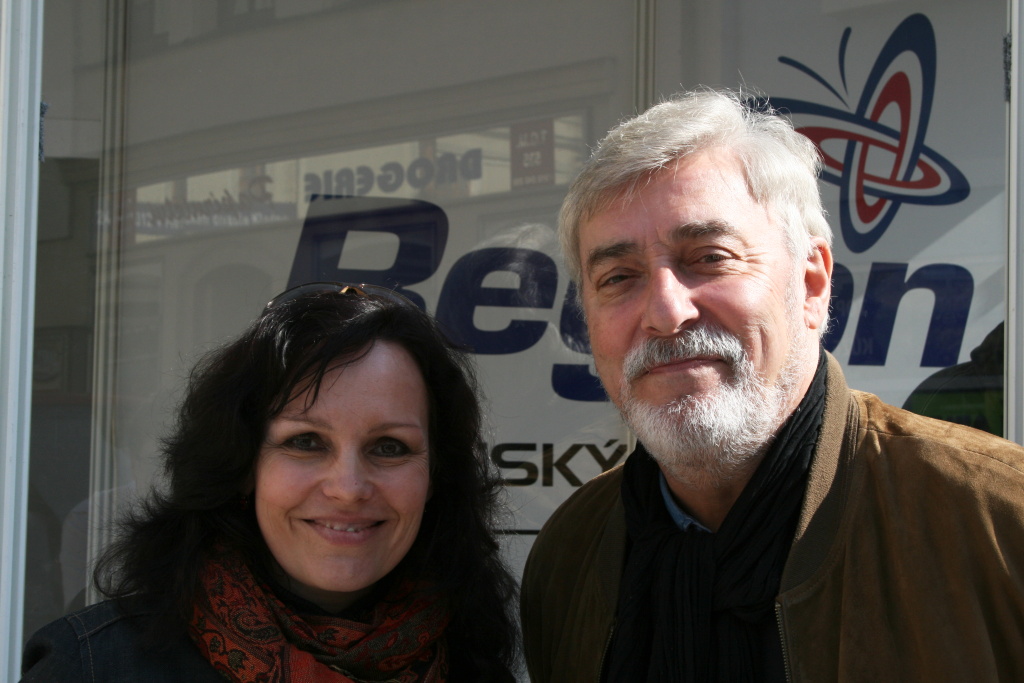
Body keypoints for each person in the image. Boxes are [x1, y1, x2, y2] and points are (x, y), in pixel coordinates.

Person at [520, 89, 1024, 682]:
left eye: (709, 257)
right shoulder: (570, 555)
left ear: (812, 284)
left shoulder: (997, 523)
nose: (665, 312)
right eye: (618, 277)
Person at [22, 283, 519, 682]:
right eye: (306, 442)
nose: (348, 487)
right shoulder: (93, 667)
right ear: (242, 467)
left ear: (435, 477)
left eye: (389, 447)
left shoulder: (472, 660)